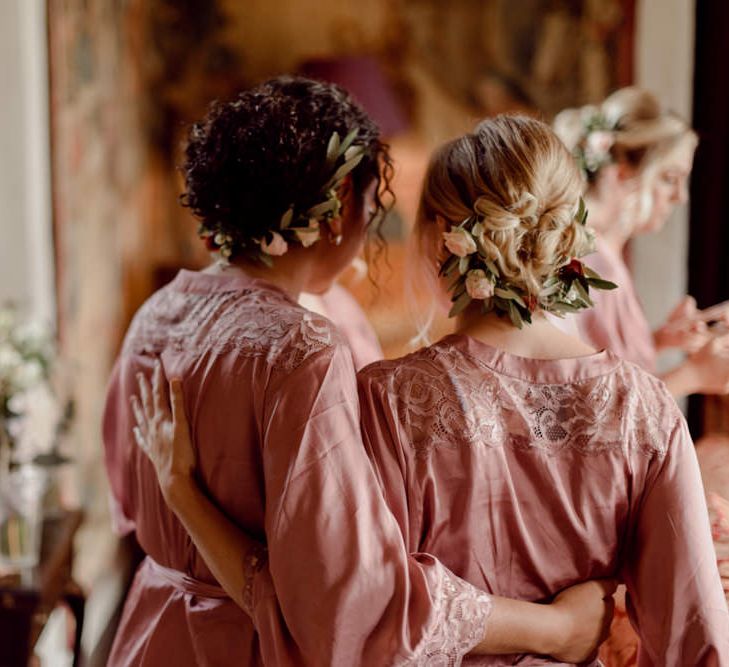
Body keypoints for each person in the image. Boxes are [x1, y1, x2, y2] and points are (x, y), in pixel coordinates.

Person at [133, 113, 729, 664]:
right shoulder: (645, 408)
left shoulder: (386, 399)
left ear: (442, 237)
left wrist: (183, 494)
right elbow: (695, 634)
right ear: (567, 239)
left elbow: (343, 611)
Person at [554, 86, 729, 396]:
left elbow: (613, 365)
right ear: (623, 173)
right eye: (670, 178)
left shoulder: (606, 257)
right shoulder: (589, 265)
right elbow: (598, 407)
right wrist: (694, 374)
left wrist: (661, 340)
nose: (680, 197)